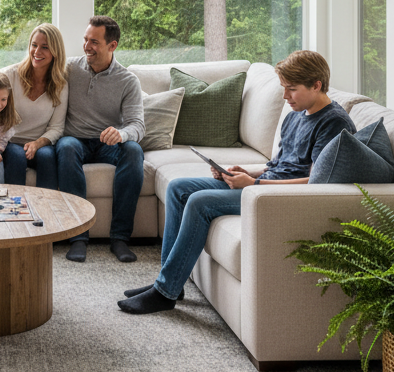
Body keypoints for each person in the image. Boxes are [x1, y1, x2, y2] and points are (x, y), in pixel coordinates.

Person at [118, 49, 356, 314]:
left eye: (292, 89)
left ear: (317, 85)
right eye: (283, 88)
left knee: (199, 202)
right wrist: (245, 173)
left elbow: (315, 182)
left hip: (277, 199)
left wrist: (254, 186)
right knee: (178, 188)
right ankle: (172, 280)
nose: (285, 96)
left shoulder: (334, 124)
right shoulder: (296, 115)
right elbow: (279, 166)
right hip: (262, 185)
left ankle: (164, 293)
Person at [56, 16, 145, 264]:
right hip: (76, 141)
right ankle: (78, 237)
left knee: (134, 151)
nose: (86, 46)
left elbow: (137, 125)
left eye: (94, 42)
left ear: (112, 46)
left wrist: (122, 134)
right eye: (86, 40)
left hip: (109, 145)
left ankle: (120, 238)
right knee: (66, 146)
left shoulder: (128, 81)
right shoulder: (70, 69)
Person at [0, 23, 68, 190]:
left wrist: (37, 143)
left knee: (47, 157)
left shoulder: (61, 85)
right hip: (10, 141)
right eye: (34, 45)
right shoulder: (10, 76)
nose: (37, 52)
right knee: (17, 157)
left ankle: (47, 211)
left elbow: (57, 127)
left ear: (55, 51)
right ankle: (15, 212)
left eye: (45, 47)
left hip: (39, 143)